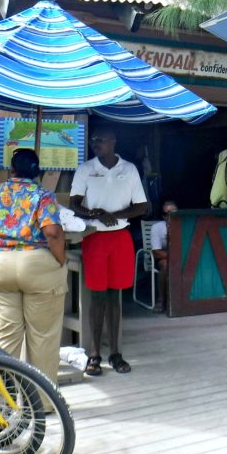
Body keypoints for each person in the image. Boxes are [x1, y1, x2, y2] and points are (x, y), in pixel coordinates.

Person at [0, 148, 67, 384]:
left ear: (11, 170)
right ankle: (42, 402)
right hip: (36, 263)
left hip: (0, 264)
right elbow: (52, 233)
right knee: (42, 337)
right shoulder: (44, 195)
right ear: (37, 172)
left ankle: (0, 397)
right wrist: (61, 261)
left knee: (6, 334)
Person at [69, 126, 147, 375]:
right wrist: (96, 213)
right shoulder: (86, 169)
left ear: (113, 141)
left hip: (121, 237)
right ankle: (94, 354)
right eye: (93, 140)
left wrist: (115, 215)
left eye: (100, 140)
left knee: (116, 297)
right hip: (94, 238)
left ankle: (115, 352)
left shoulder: (130, 169)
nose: (96, 143)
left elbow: (142, 206)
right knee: (97, 297)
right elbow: (74, 203)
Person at [149, 200, 178, 313]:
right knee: (165, 265)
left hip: (181, 256)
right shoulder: (157, 227)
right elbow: (156, 252)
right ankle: (161, 300)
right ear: (163, 216)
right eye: (168, 213)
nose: (171, 216)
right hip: (165, 257)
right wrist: (174, 257)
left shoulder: (183, 224)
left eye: (174, 212)